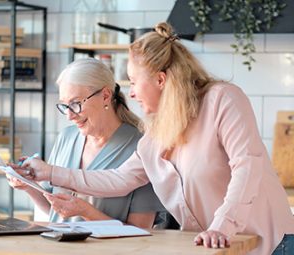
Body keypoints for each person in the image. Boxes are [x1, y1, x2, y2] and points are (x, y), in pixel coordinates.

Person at [21, 22, 294, 254]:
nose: (130, 93)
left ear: (160, 80)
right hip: (214, 248)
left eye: (133, 81)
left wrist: (221, 225)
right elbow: (119, 179)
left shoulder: (222, 99)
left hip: (271, 244)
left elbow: (248, 167)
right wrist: (50, 173)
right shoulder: (155, 134)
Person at [8, 58, 172, 228]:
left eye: (76, 103)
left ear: (105, 96)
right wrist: (28, 185)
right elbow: (55, 210)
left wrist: (86, 212)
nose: (69, 116)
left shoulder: (142, 146)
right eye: (65, 106)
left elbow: (140, 232)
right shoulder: (66, 137)